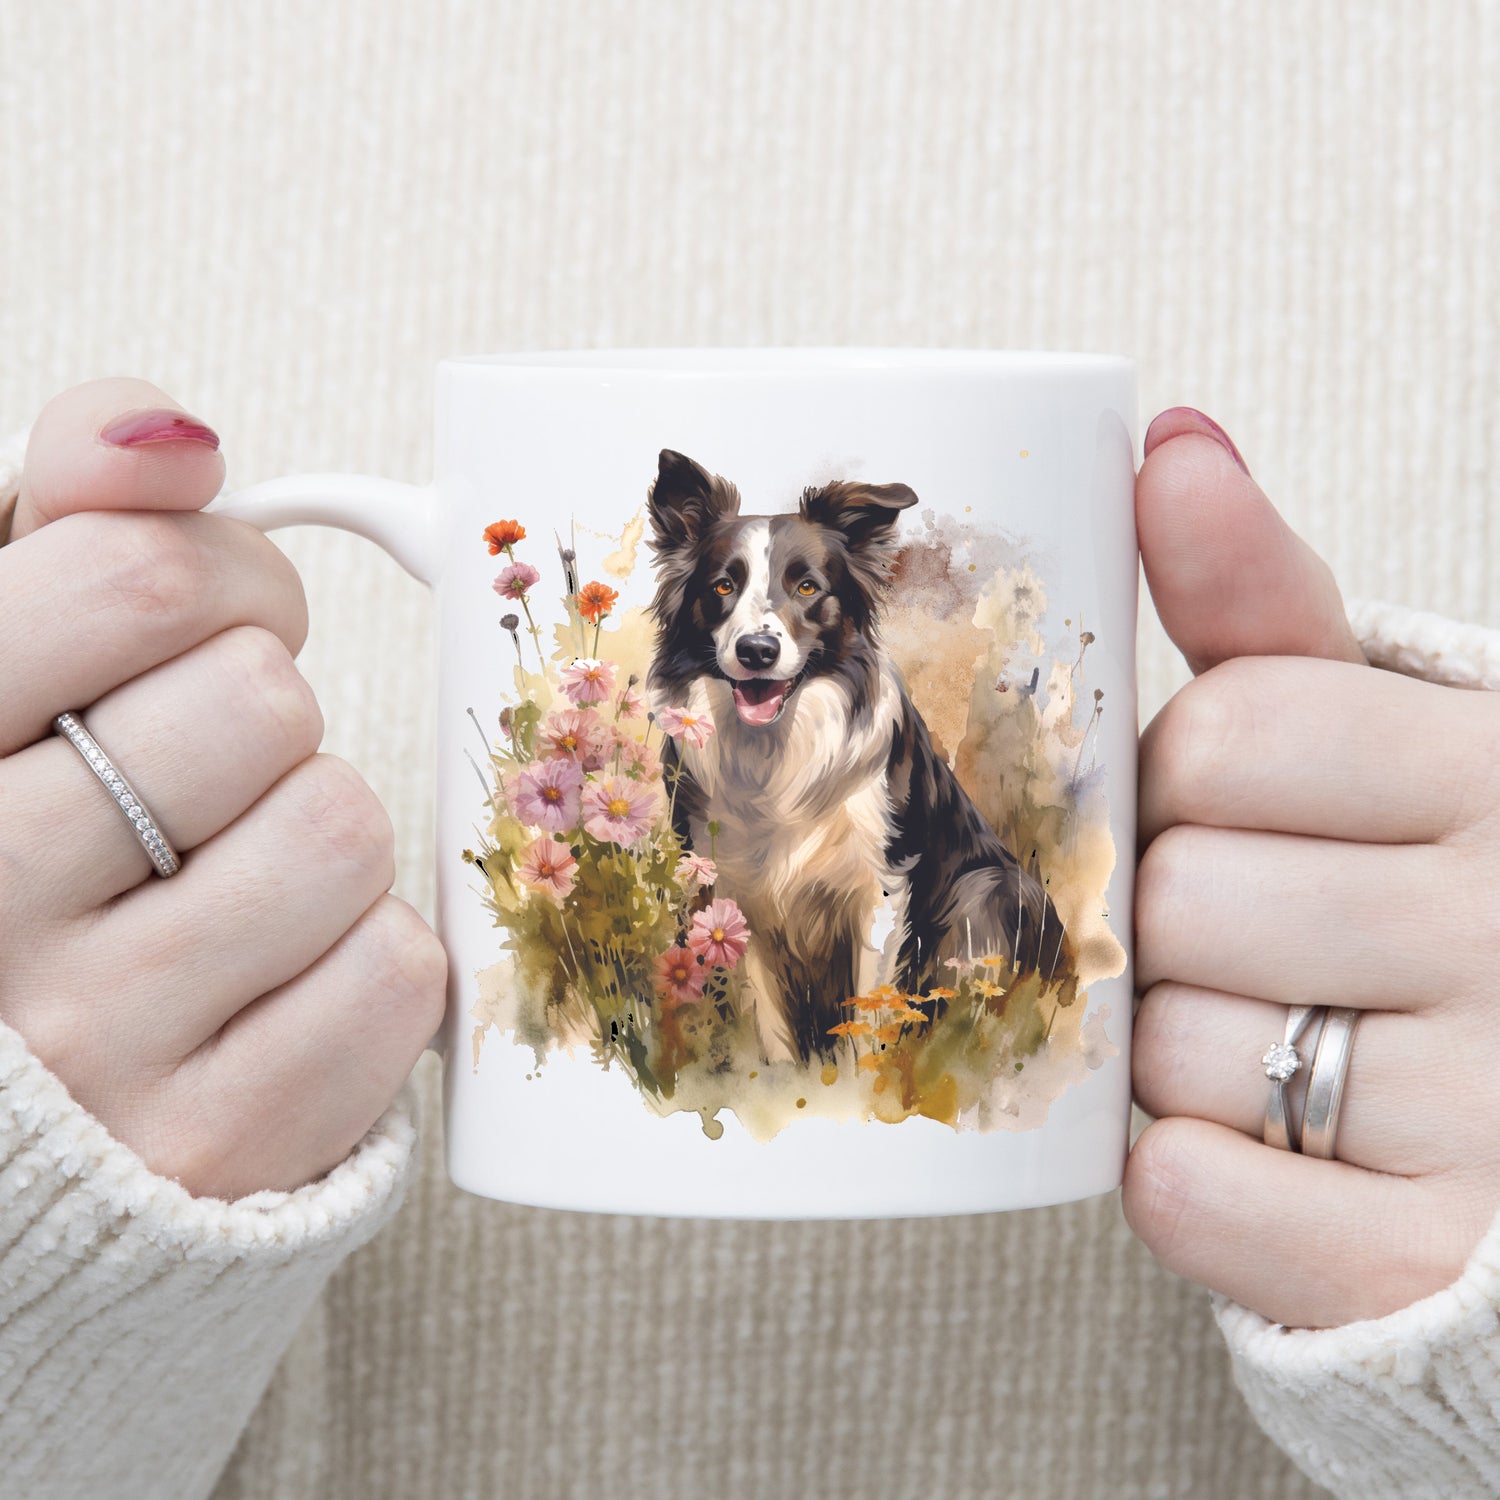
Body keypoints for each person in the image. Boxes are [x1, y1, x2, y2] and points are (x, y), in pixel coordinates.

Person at [2, 380, 1498, 1500]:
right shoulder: (694, 733)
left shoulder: (875, 742)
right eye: (729, 594)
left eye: (796, 593)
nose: (761, 623)